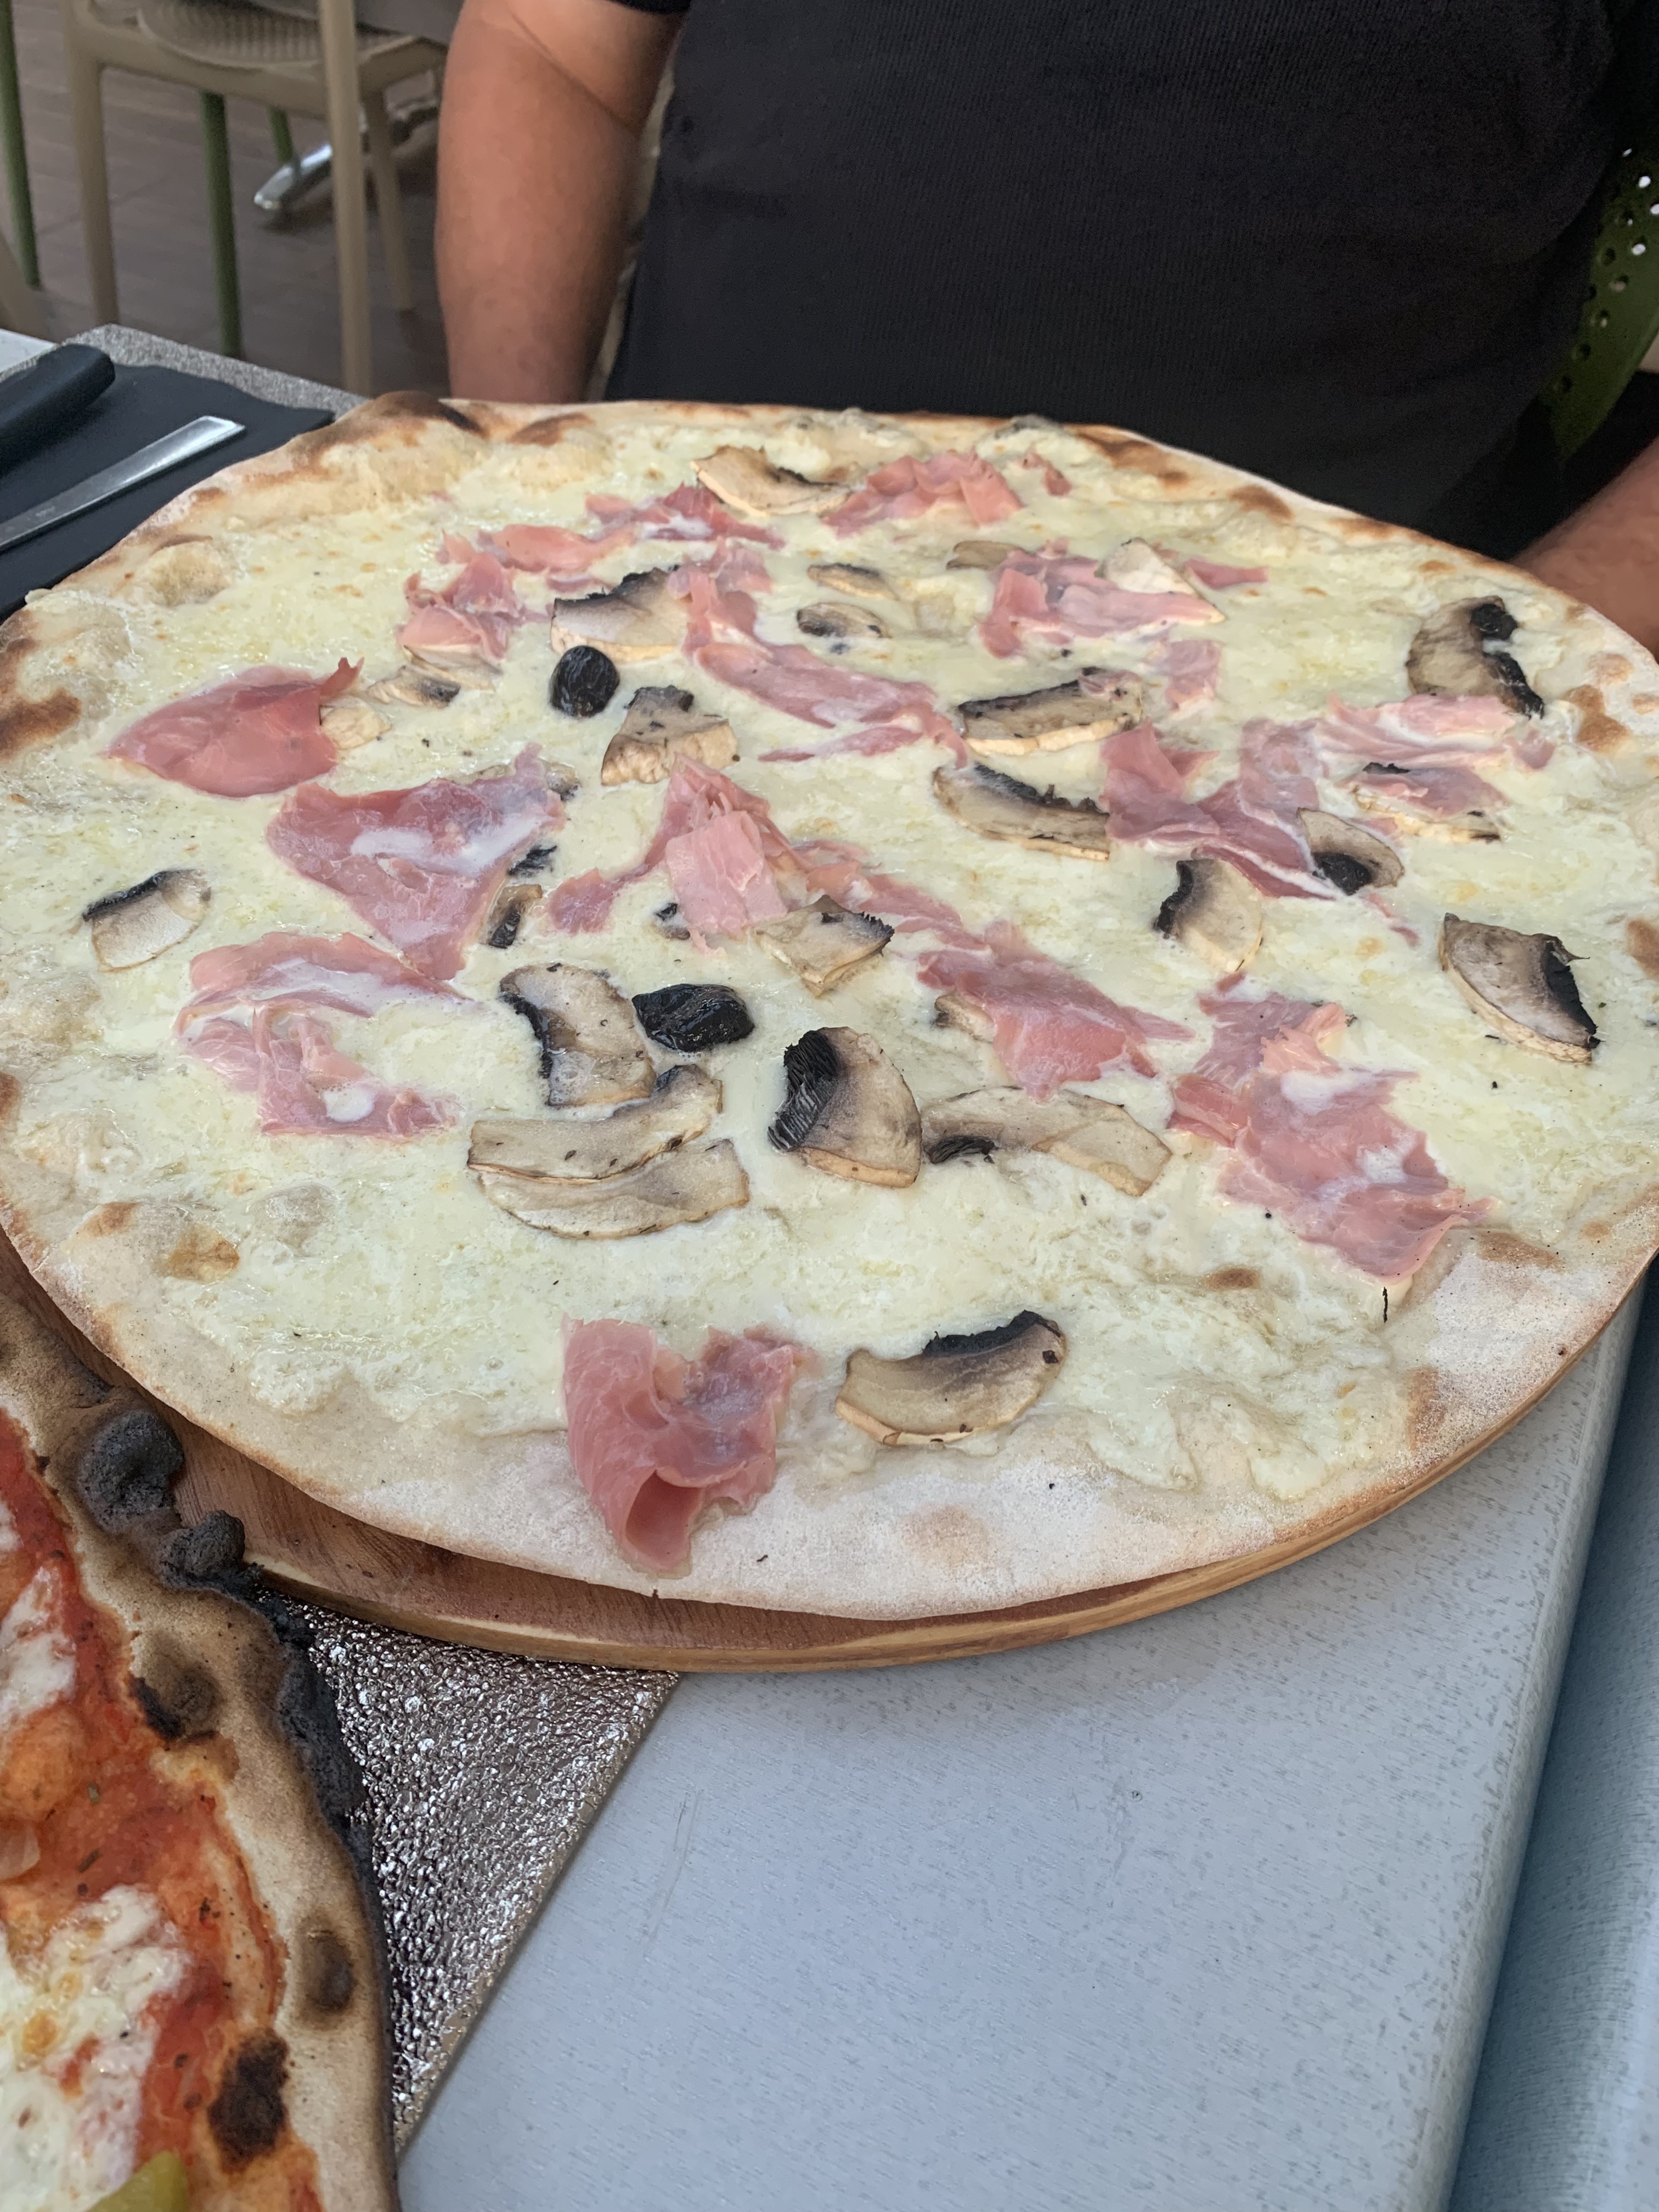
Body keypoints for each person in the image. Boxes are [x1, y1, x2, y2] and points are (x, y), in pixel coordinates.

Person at [436, 0, 1659, 646]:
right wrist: (514, 472)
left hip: (1313, 690)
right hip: (668, 586)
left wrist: (1534, 655)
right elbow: (552, 39)